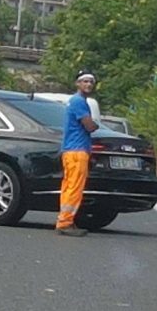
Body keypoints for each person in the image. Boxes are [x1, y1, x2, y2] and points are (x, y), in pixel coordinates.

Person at [56, 69, 100, 236]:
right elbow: (89, 125)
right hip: (77, 151)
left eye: (91, 81)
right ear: (78, 83)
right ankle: (65, 222)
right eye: (85, 81)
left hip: (70, 150)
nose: (88, 84)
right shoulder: (79, 102)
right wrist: (96, 125)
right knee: (75, 187)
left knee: (68, 187)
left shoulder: (74, 101)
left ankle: (65, 220)